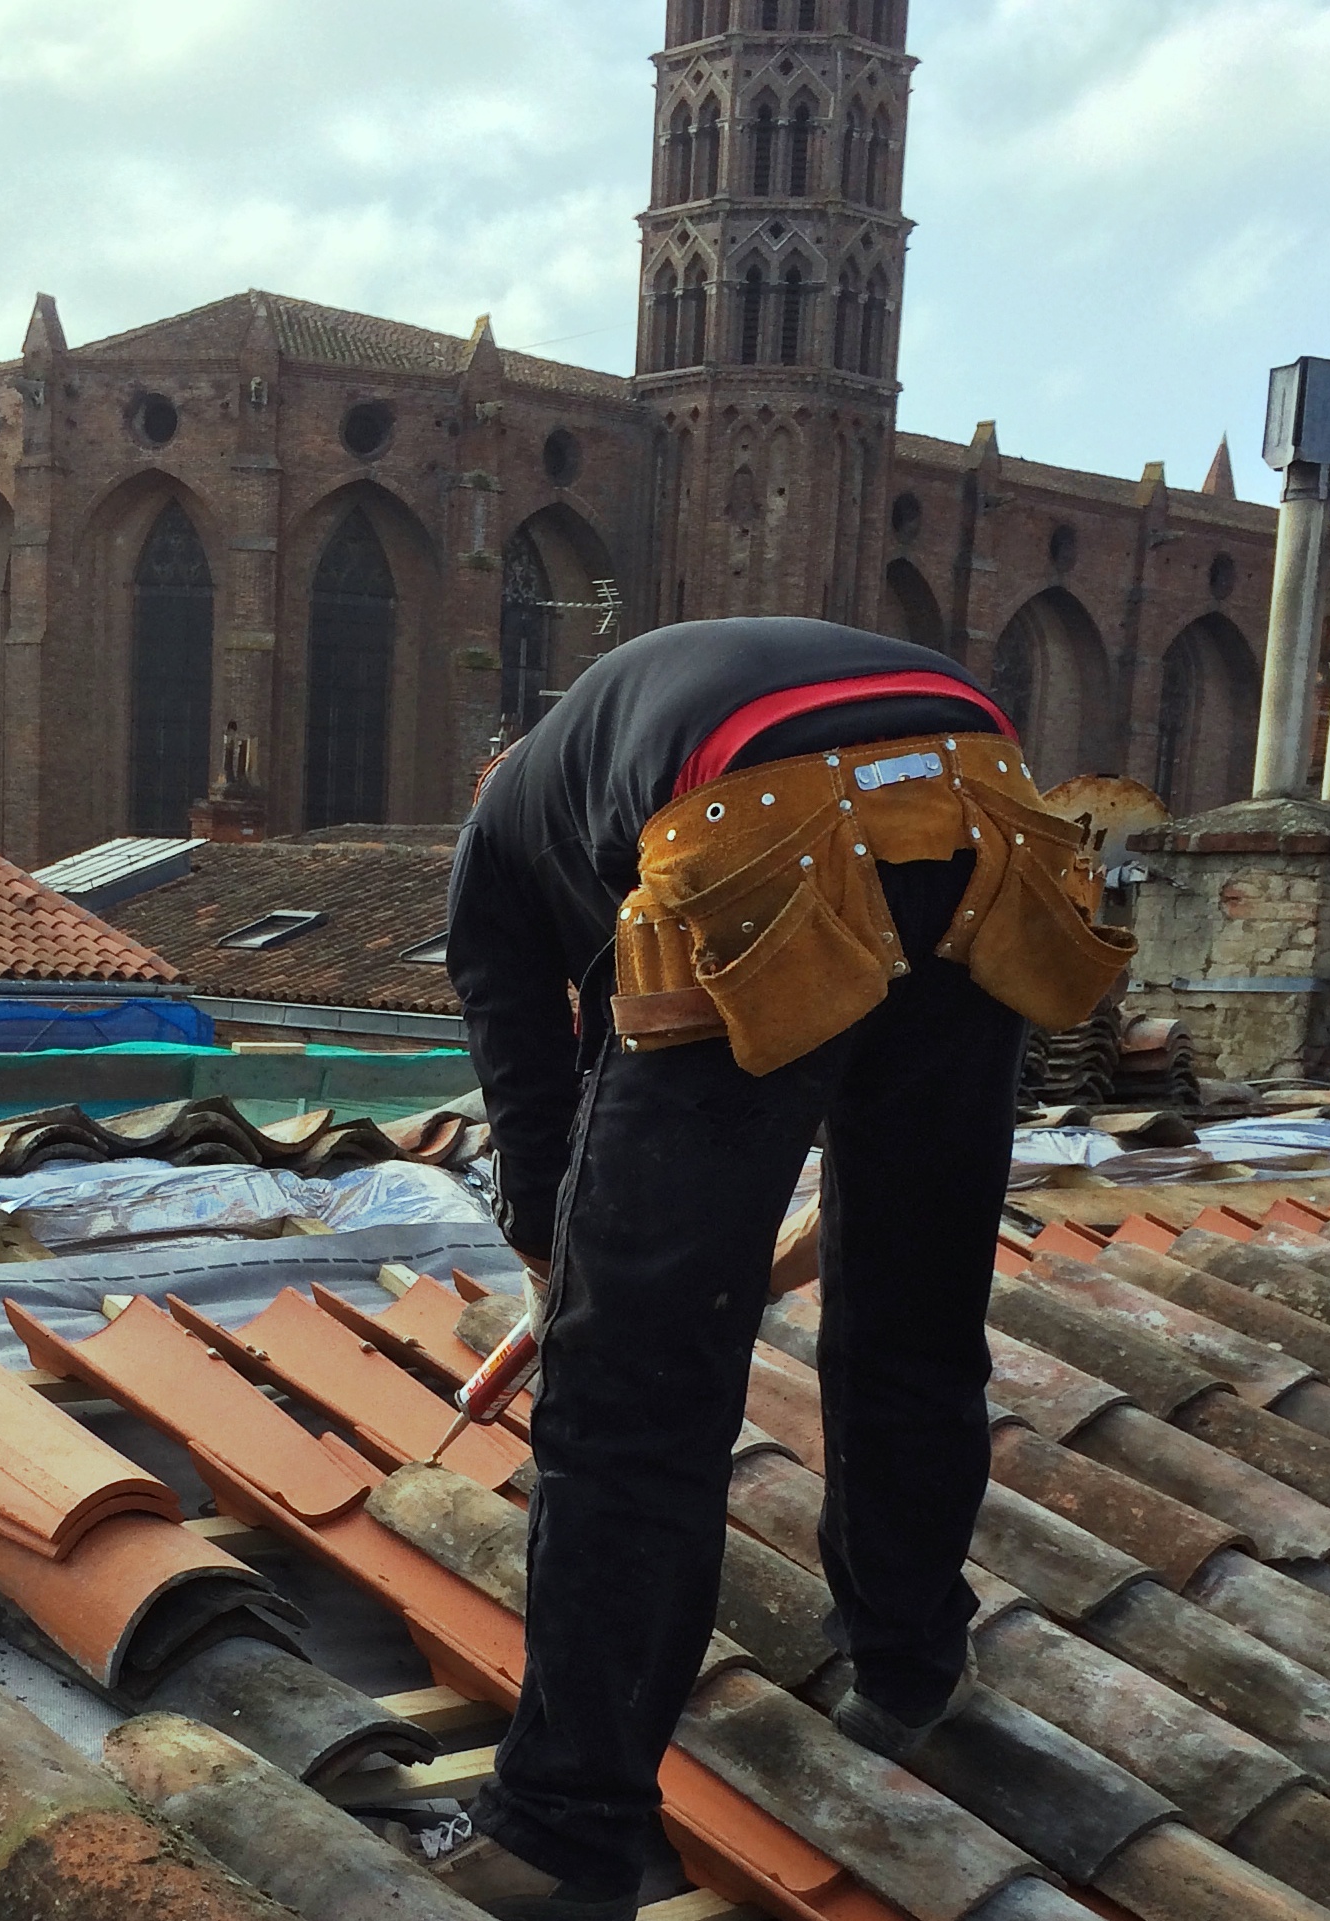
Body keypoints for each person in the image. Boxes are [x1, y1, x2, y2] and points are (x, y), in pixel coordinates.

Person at [426, 617, 1131, 1921]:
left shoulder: (498, 839)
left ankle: (557, 1834)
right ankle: (912, 1668)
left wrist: (562, 1269)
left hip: (756, 810)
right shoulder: (617, 736)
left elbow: (527, 1067)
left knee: (636, 1392)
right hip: (982, 804)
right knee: (916, 1306)